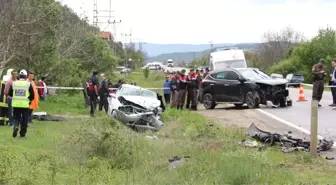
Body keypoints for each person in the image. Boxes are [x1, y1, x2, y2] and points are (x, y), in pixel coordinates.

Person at [8, 70, 34, 137]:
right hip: (25, 105)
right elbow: (32, 95)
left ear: (19, 76)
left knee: (16, 117)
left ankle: (16, 126)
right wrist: (29, 100)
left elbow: (10, 93)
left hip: (16, 104)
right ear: (26, 77)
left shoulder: (14, 83)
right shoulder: (28, 84)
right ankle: (22, 133)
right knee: (25, 119)